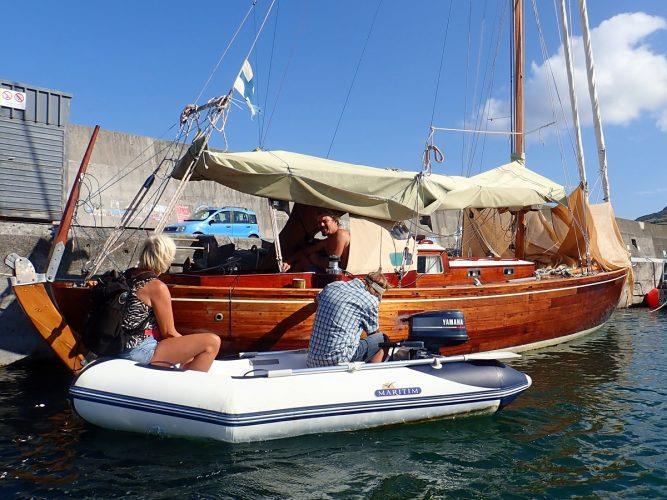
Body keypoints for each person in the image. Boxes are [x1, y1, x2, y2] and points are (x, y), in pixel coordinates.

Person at [118, 234, 221, 371]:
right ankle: (190, 389)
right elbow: (169, 333)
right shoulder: (156, 287)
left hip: (117, 344)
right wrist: (189, 353)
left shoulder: (125, 276)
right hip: (138, 349)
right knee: (212, 343)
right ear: (165, 258)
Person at [306, 270, 389, 367]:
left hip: (312, 361)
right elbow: (374, 334)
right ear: (377, 293)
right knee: (383, 340)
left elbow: (316, 299)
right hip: (339, 362)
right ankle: (371, 376)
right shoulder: (370, 300)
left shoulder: (333, 286)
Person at [283, 209, 350, 272]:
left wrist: (315, 259)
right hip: (328, 272)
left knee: (304, 262)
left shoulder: (341, 234)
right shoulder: (327, 241)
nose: (321, 225)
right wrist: (288, 262)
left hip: (341, 275)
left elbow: (333, 264)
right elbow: (305, 251)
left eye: (324, 221)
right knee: (302, 260)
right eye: (319, 222)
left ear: (335, 221)